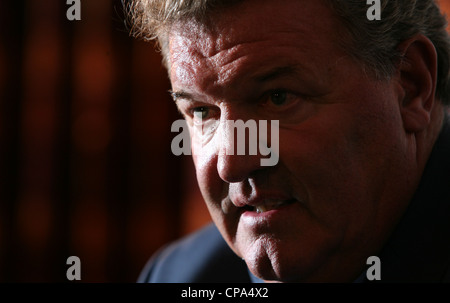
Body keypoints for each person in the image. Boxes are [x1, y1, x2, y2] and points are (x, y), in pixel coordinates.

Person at [126, 0, 450, 282]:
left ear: (411, 85)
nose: (232, 164)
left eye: (277, 98)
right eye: (202, 112)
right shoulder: (180, 275)